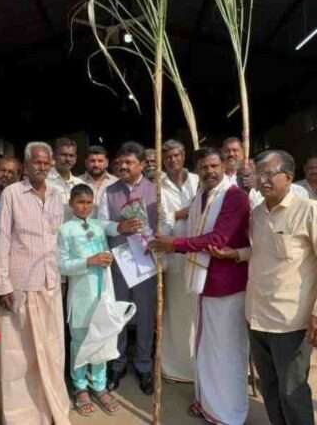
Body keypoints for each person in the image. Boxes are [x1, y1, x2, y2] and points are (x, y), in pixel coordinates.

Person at [245, 150, 317, 425]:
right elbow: (262, 253)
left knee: (292, 391)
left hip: (290, 321)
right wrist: (235, 254)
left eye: (270, 174)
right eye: (259, 173)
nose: (263, 180)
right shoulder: (257, 214)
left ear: (289, 177)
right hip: (257, 316)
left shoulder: (309, 211)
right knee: (270, 387)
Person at [151, 147, 251, 424]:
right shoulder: (202, 196)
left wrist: (174, 244)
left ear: (224, 166)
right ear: (197, 170)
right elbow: (189, 227)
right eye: (204, 167)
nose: (210, 171)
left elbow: (217, 239)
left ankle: (227, 412)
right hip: (205, 283)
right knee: (207, 347)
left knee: (226, 350)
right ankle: (208, 402)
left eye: (214, 166)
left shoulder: (234, 196)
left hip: (227, 285)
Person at [0, 142, 71, 424]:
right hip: (20, 284)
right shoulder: (12, 194)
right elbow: (3, 238)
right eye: (37, 162)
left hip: (50, 282)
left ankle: (51, 407)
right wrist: (3, 283)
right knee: (19, 355)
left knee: (52, 350)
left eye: (46, 162)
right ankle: (21, 415)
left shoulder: (57, 195)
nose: (42, 167)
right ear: (26, 166)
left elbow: (57, 238)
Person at [98, 141, 159, 395]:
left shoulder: (156, 190)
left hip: (146, 261)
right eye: (120, 162)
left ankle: (144, 365)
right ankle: (118, 362)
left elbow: (166, 222)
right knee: (119, 312)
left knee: (145, 315)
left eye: (129, 162)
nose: (123, 166)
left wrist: (153, 238)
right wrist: (118, 228)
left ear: (142, 164)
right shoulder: (109, 192)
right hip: (119, 260)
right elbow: (100, 223)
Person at [58, 184, 121, 417]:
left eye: (88, 202)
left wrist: (107, 258)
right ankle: (80, 386)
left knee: (101, 339)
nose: (85, 207)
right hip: (81, 296)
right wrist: (89, 261)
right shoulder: (65, 230)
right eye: (80, 202)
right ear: (71, 204)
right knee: (80, 341)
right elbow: (61, 265)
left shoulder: (97, 226)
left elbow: (113, 232)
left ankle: (99, 385)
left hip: (103, 293)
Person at [159, 139, 199, 383]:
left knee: (198, 313)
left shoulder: (198, 180)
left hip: (199, 254)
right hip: (173, 256)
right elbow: (158, 219)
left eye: (176, 155)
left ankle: (199, 366)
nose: (173, 160)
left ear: (184, 156)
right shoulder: (158, 185)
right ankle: (175, 367)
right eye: (168, 157)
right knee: (176, 313)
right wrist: (179, 214)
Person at [48, 137, 86, 220]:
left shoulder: (80, 184)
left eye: (71, 156)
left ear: (75, 158)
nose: (68, 159)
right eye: (63, 155)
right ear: (54, 156)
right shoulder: (44, 182)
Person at [79, 145, 118, 211]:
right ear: (86, 163)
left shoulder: (116, 183)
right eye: (92, 161)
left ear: (107, 163)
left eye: (100, 161)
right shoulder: (77, 182)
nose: (96, 165)